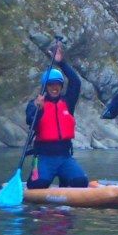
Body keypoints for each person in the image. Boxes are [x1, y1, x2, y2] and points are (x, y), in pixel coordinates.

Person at [25, 43, 89, 189]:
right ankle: (37, 177)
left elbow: (76, 82)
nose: (55, 88)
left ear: (61, 86)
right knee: (39, 184)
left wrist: (62, 63)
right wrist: (39, 109)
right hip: (44, 157)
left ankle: (64, 181)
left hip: (65, 157)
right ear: (45, 87)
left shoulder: (67, 102)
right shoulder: (34, 104)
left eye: (58, 85)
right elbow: (31, 122)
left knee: (80, 182)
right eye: (51, 85)